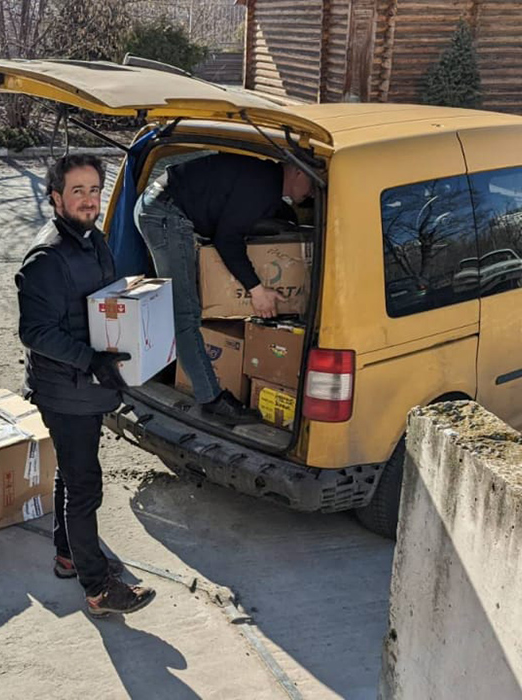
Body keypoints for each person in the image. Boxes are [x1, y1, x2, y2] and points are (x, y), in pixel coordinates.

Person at [16, 154, 156, 618]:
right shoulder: (47, 257)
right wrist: (92, 361)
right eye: (77, 191)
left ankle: (67, 554)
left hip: (88, 386)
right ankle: (97, 590)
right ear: (55, 197)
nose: (88, 200)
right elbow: (34, 332)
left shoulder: (92, 240)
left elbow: (99, 300)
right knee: (84, 487)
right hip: (65, 390)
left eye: (94, 190)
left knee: (73, 476)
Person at [134, 152, 314, 424]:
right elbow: (227, 239)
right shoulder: (263, 185)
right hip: (165, 213)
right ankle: (212, 400)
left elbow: (259, 214)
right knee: (185, 313)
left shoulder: (265, 180)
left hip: (158, 203)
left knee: (180, 305)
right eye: (313, 185)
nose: (311, 195)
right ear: (299, 173)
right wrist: (257, 290)